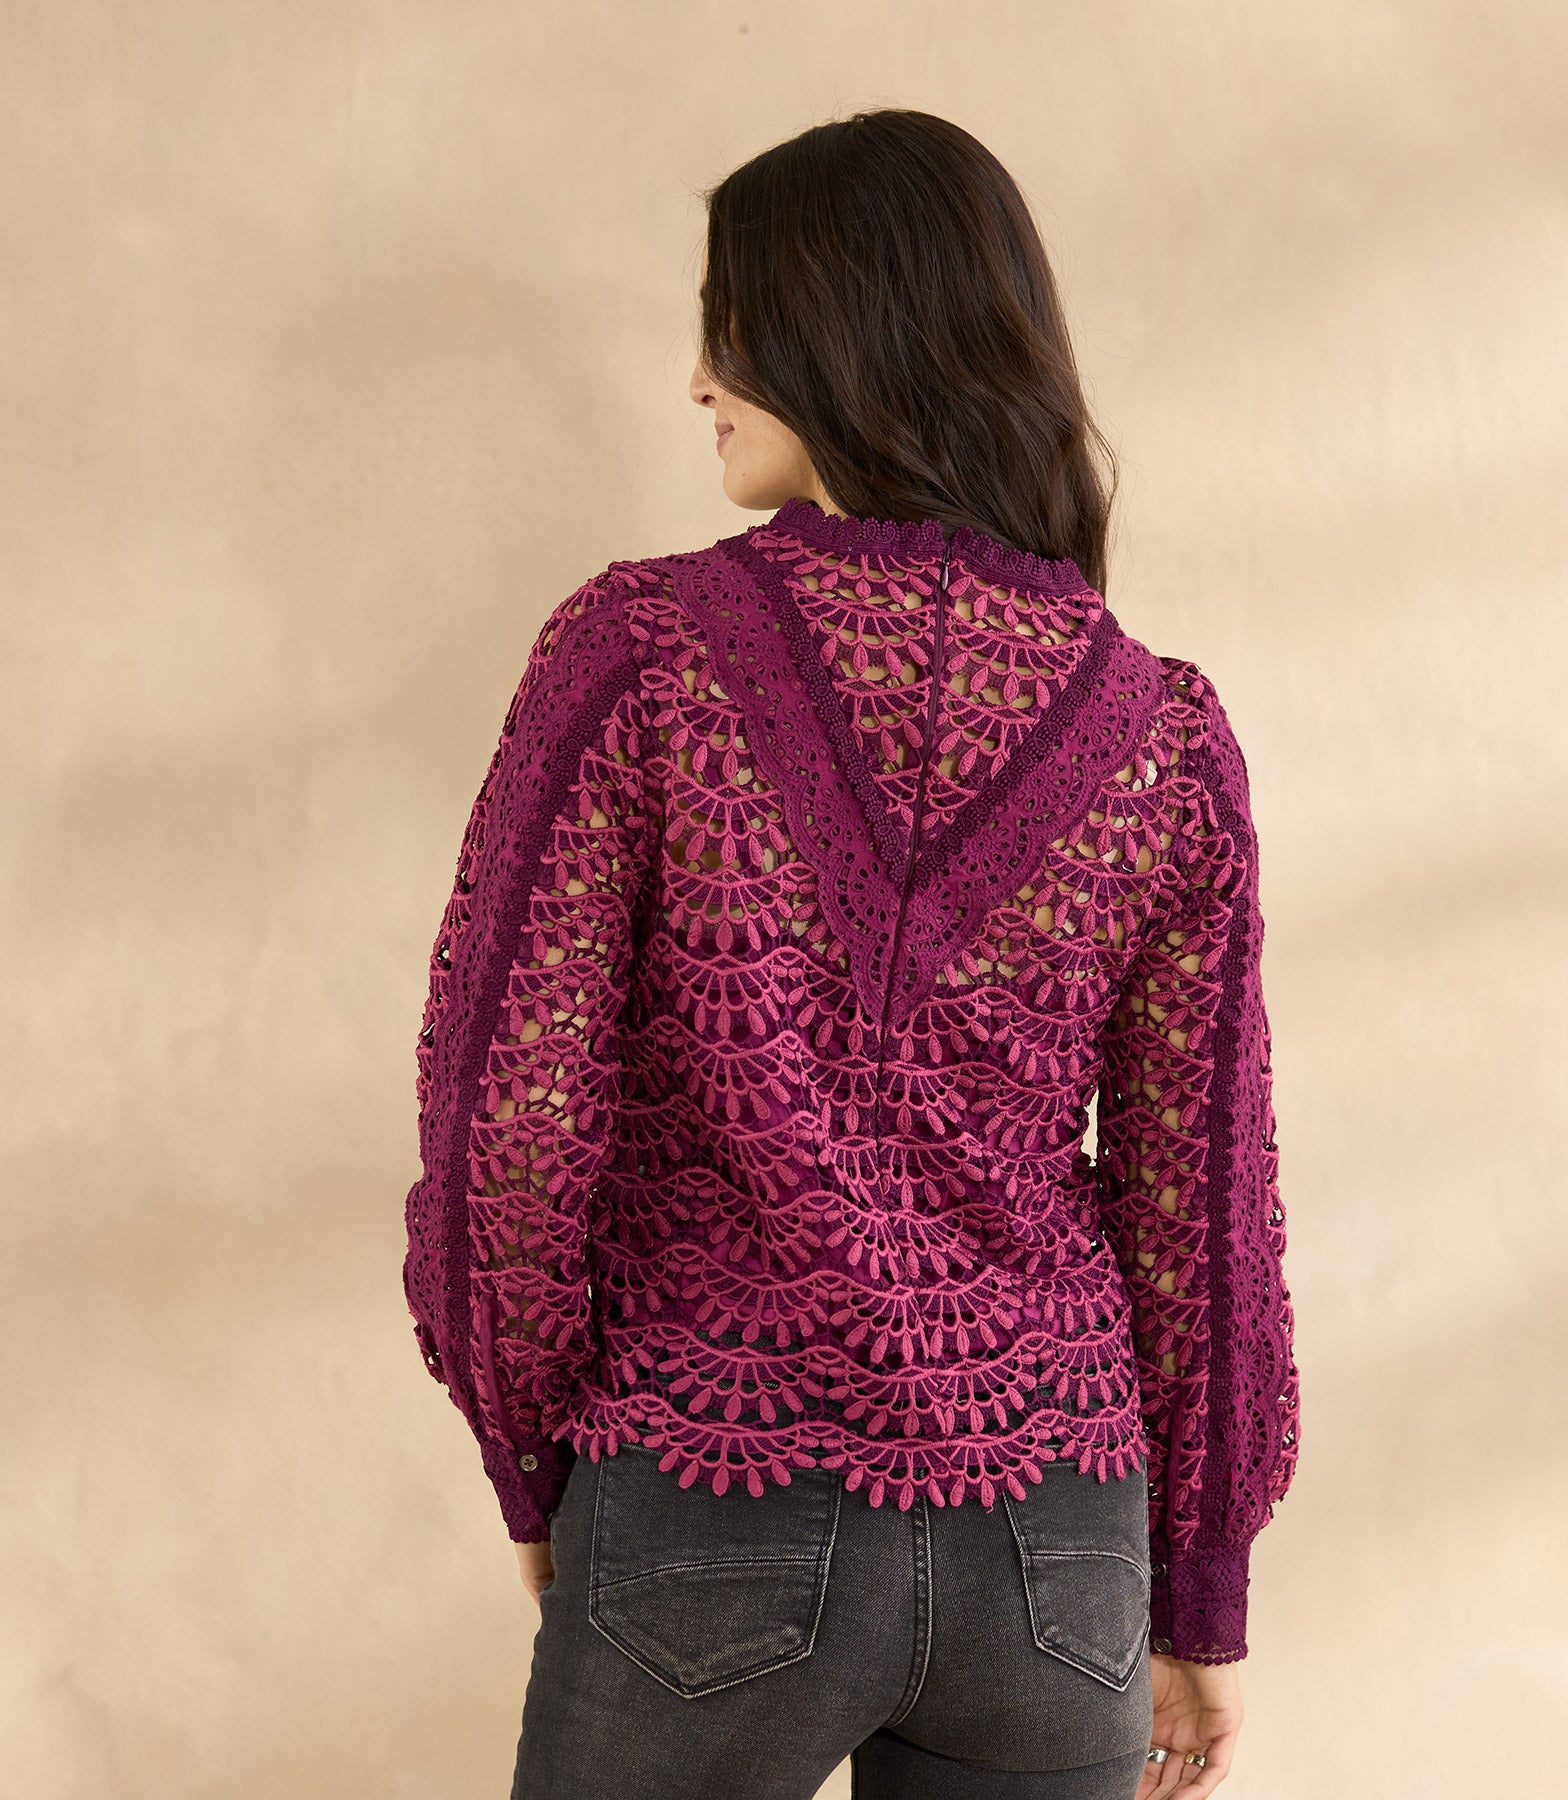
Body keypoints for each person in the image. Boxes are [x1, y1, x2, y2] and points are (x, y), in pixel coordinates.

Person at [401, 107, 1300, 1800]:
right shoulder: (1164, 734)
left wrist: (538, 1456)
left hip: (710, 1486)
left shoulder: (640, 654)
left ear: (837, 329)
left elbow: (511, 1118)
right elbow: (1201, 1206)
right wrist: (1198, 1590)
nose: (696, 379)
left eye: (727, 326)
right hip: (1058, 1549)